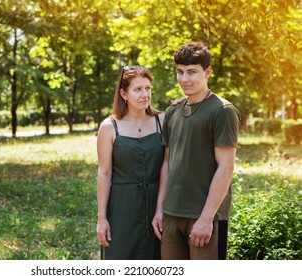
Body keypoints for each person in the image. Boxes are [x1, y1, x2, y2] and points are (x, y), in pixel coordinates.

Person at [152, 42, 240, 260]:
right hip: (172, 215)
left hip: (204, 216)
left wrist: (206, 218)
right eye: (180, 72)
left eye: (192, 72)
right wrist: (160, 209)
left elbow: (226, 167)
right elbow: (167, 163)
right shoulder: (173, 111)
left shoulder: (222, 111)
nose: (184, 79)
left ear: (207, 72)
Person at [96, 65, 164, 260]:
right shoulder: (109, 127)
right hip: (121, 207)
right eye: (138, 89)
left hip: (156, 204)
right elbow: (104, 173)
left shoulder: (163, 120)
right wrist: (102, 219)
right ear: (124, 94)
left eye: (148, 88)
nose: (145, 94)